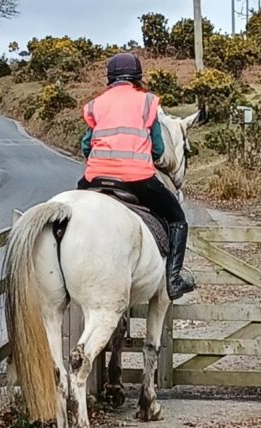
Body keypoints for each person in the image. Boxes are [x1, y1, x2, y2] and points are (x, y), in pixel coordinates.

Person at [77, 52, 195, 301]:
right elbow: (159, 149)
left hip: (94, 178)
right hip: (136, 179)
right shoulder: (147, 102)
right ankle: (173, 280)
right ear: (137, 77)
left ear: (110, 78)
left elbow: (86, 146)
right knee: (177, 218)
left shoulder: (97, 104)